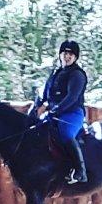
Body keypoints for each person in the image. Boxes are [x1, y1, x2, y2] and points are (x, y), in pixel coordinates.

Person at [33, 39, 88, 184]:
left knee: (65, 133)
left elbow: (72, 97)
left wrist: (54, 110)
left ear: (75, 57)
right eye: (64, 53)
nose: (67, 56)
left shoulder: (78, 75)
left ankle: (80, 171)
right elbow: (44, 92)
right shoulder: (55, 72)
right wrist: (37, 106)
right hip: (54, 112)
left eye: (71, 54)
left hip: (72, 112)